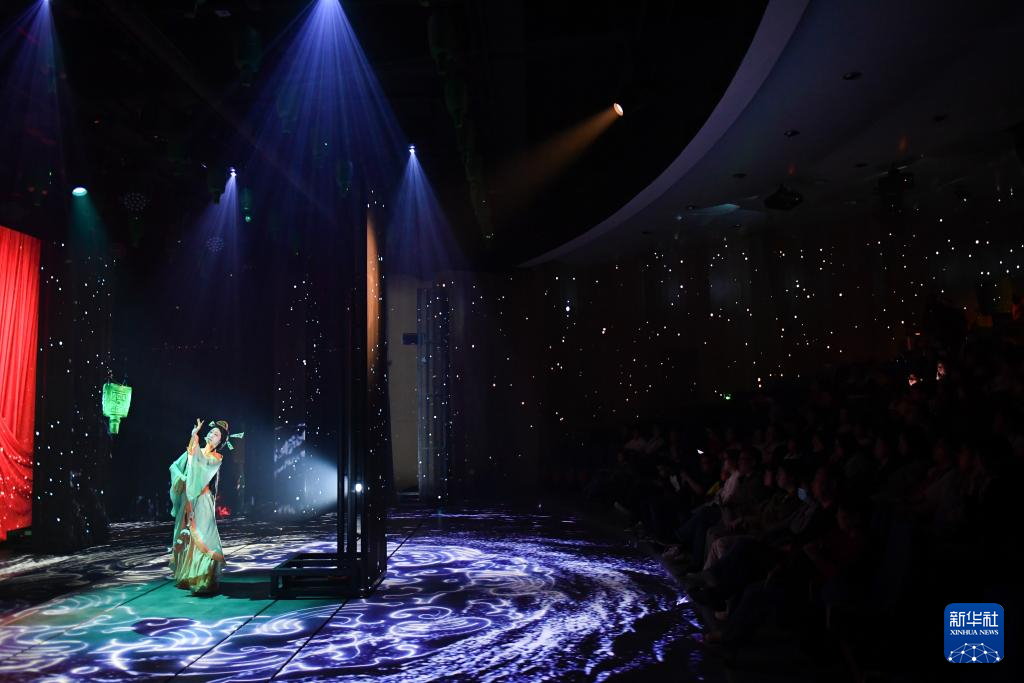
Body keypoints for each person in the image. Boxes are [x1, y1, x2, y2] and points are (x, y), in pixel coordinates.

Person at [169, 418, 230, 595]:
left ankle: (204, 578)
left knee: (203, 537)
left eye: (216, 434)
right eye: (211, 432)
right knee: (186, 538)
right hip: (188, 499)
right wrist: (181, 477)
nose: (212, 435)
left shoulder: (216, 458)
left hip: (202, 500)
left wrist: (194, 438)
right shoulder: (194, 450)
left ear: (220, 441)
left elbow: (200, 465)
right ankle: (188, 576)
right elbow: (174, 466)